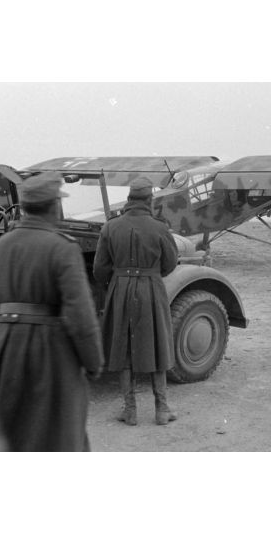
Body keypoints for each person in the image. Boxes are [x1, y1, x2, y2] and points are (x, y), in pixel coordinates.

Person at [0, 173, 104, 452]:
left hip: (1, 355)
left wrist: (0, 336)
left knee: (4, 436)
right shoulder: (63, 248)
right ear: (54, 206)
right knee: (53, 437)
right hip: (49, 357)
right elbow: (81, 316)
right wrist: (93, 363)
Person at [93, 178, 179, 426]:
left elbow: (100, 269)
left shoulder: (110, 227)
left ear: (129, 199)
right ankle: (162, 409)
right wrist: (150, 274)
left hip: (120, 289)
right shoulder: (159, 227)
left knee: (123, 348)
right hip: (151, 288)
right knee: (157, 344)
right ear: (149, 200)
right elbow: (171, 263)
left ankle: (130, 410)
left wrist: (118, 280)